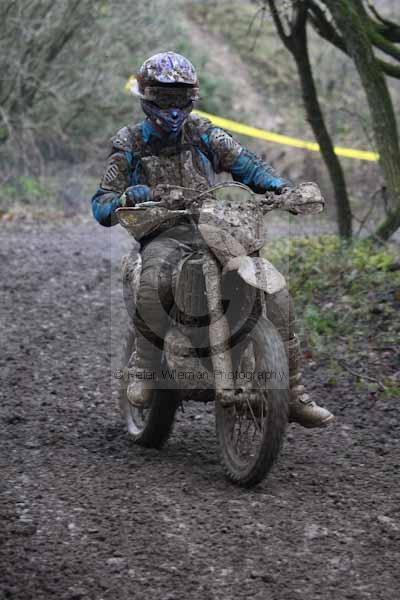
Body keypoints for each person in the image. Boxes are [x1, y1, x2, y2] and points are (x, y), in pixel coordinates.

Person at [91, 51, 334, 428]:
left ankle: (293, 391)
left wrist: (279, 188)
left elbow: (245, 163)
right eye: (165, 98)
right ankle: (144, 369)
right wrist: (127, 197)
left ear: (191, 98)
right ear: (148, 97)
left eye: (179, 98)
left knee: (273, 289)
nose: (173, 108)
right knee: (155, 279)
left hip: (212, 225)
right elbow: (102, 203)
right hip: (162, 230)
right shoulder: (130, 142)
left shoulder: (203, 132)